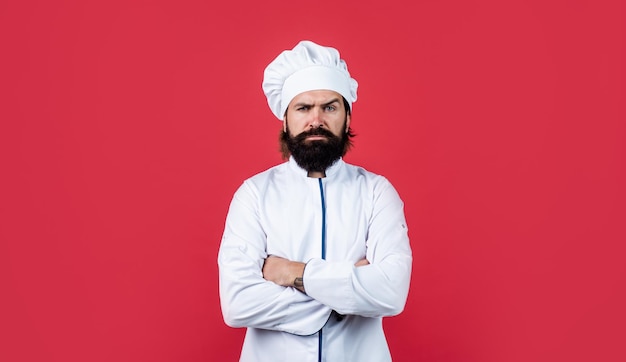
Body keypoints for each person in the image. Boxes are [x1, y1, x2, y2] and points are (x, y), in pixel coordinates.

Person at [218, 40, 412, 362]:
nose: (316, 120)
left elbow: (391, 294)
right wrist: (348, 289)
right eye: (303, 108)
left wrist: (291, 273)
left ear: (347, 118)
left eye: (330, 107)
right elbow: (238, 304)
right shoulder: (253, 194)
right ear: (285, 120)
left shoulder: (377, 192)